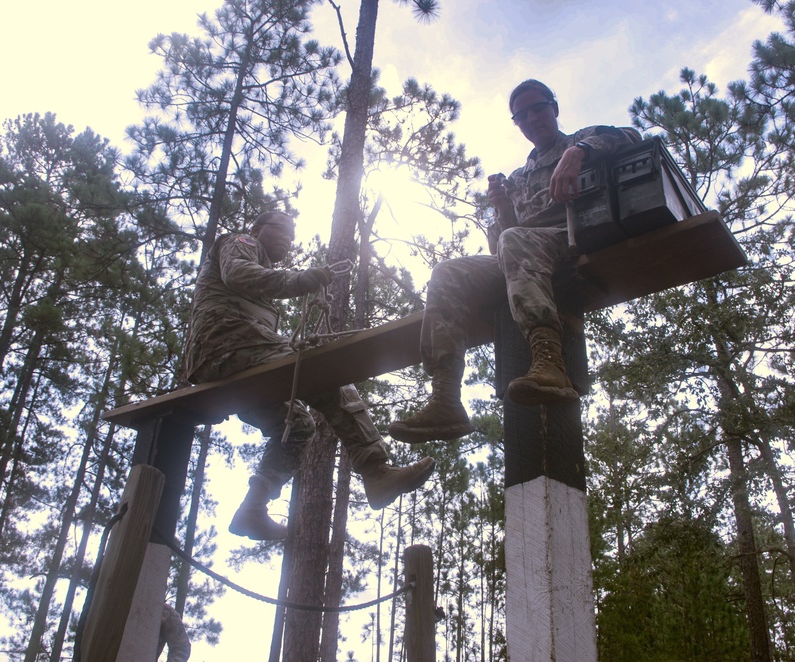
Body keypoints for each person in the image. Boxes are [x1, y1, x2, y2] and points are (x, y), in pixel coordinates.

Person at [389, 79, 641, 443]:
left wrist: (579, 152)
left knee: (514, 239)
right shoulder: (520, 178)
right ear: (517, 125)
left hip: (571, 236)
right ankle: (446, 399)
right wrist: (504, 207)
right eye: (521, 115)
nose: (532, 118)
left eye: (538, 108)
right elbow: (507, 244)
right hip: (526, 248)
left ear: (554, 108)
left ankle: (551, 363)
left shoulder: (581, 140)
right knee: (448, 272)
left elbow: (630, 137)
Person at [184, 211, 435, 540]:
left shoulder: (260, 271)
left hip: (230, 357)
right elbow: (238, 274)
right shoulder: (241, 243)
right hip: (225, 345)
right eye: (282, 231)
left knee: (300, 426)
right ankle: (375, 472)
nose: (288, 240)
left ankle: (252, 508)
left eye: (292, 235)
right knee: (328, 373)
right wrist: (300, 280)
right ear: (257, 229)